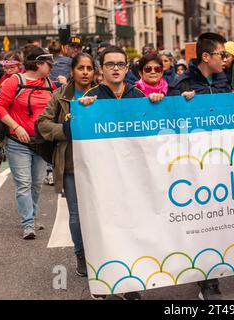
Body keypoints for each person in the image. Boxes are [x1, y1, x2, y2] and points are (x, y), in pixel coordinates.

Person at [78, 45, 162, 300]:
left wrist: (156, 103)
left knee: (131, 227)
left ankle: (128, 284)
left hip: (133, 178)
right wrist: (81, 113)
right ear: (100, 70)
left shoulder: (138, 96)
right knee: (104, 228)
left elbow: (156, 133)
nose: (115, 69)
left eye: (120, 64)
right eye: (110, 64)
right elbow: (73, 135)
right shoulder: (90, 99)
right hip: (102, 179)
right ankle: (104, 281)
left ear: (127, 68)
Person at [169, 32, 234, 300]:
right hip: (192, 165)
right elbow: (167, 123)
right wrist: (179, 105)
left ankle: (213, 270)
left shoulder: (224, 81)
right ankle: (207, 280)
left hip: (221, 160)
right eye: (221, 54)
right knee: (201, 220)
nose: (226, 60)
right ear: (205, 57)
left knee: (218, 218)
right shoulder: (182, 83)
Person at [37, 53, 96, 278]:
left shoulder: (103, 94)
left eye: (89, 68)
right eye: (80, 67)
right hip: (71, 163)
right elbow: (42, 124)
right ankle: (81, 255)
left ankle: (102, 252)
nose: (85, 72)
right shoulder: (60, 95)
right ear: (72, 71)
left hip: (100, 165)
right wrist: (64, 130)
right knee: (76, 215)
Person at [0, 47, 56, 239]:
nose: (52, 67)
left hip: (41, 142)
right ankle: (28, 224)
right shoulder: (15, 81)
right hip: (17, 142)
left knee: (37, 184)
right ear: (38, 64)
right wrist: (17, 127)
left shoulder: (49, 84)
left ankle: (33, 217)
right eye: (49, 63)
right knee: (24, 184)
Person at [0, 51, 26, 171]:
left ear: (19, 66)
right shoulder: (4, 78)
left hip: (23, 111)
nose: (9, 70)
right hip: (8, 112)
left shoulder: (25, 76)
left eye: (12, 67)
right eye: (6, 67)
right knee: (1, 126)